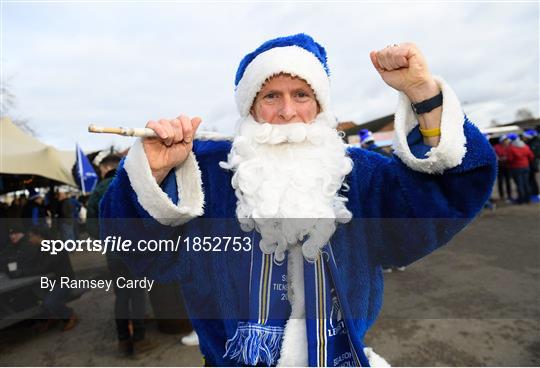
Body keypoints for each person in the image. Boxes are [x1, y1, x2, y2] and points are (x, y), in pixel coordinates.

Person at [100, 34, 496, 366]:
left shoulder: (359, 174)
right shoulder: (206, 174)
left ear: (319, 104)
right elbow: (141, 252)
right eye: (271, 96)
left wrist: (423, 94)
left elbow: (442, 199)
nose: (288, 112)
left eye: (302, 94)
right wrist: (152, 176)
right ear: (251, 106)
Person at [88, 154, 159, 357]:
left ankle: (122, 340)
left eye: (101, 169)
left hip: (114, 254)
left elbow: (91, 224)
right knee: (137, 294)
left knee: (121, 296)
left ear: (106, 167)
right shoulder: (131, 185)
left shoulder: (98, 191)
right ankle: (139, 339)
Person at [506, 133, 534, 204]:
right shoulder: (525, 146)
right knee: (526, 183)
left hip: (516, 168)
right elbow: (531, 156)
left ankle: (521, 200)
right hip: (526, 166)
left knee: (519, 184)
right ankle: (528, 199)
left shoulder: (511, 148)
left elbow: (510, 159)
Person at [493, 134, 513, 202]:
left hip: (508, 166)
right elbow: (494, 155)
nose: (507, 141)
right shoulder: (496, 147)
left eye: (507, 140)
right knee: (500, 182)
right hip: (500, 166)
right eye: (505, 140)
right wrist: (498, 158)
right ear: (502, 141)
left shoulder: (510, 146)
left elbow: (512, 155)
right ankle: (502, 196)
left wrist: (506, 158)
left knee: (508, 182)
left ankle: (509, 196)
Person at [522, 129, 540, 201]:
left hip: (532, 164)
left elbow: (534, 155)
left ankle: (535, 194)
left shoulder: (534, 143)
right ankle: (533, 193)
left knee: (532, 180)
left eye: (524, 137)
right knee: (531, 180)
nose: (523, 138)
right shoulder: (531, 143)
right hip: (530, 164)